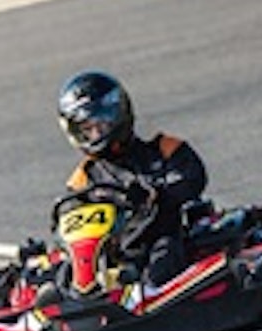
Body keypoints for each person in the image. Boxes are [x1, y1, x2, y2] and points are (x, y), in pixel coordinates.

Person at [56, 70, 208, 291]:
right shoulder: (83, 178)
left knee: (163, 258)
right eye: (88, 130)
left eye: (102, 125)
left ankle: (149, 296)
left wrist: (153, 195)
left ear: (118, 116)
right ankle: (67, 302)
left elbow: (192, 178)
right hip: (109, 255)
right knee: (63, 271)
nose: (96, 134)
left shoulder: (163, 149)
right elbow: (69, 219)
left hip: (161, 238)